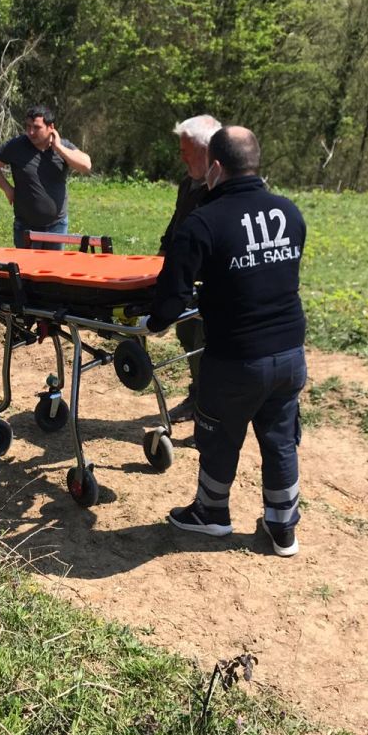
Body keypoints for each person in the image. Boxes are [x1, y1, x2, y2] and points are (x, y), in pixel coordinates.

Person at [146, 126, 307, 557]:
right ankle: (282, 526)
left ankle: (211, 513)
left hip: (237, 356)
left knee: (218, 433)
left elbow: (172, 294)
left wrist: (154, 322)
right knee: (279, 437)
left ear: (215, 168)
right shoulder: (289, 213)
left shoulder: (204, 221)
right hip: (290, 352)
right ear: (255, 163)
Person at [158, 114, 221, 426]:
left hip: (211, 281)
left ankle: (210, 412)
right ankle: (197, 397)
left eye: (186, 150)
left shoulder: (222, 187)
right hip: (184, 277)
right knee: (186, 334)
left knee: (205, 344)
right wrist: (162, 251)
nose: (181, 155)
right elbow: (177, 222)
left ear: (207, 150)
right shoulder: (188, 182)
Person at [0, 104, 92, 249]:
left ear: (50, 127)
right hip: (26, 226)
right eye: (28, 126)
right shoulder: (17, 145)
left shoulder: (63, 146)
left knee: (53, 270)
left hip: (57, 226)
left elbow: (86, 165)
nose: (31, 132)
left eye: (36, 127)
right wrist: (7, 189)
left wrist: (59, 148)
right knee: (25, 270)